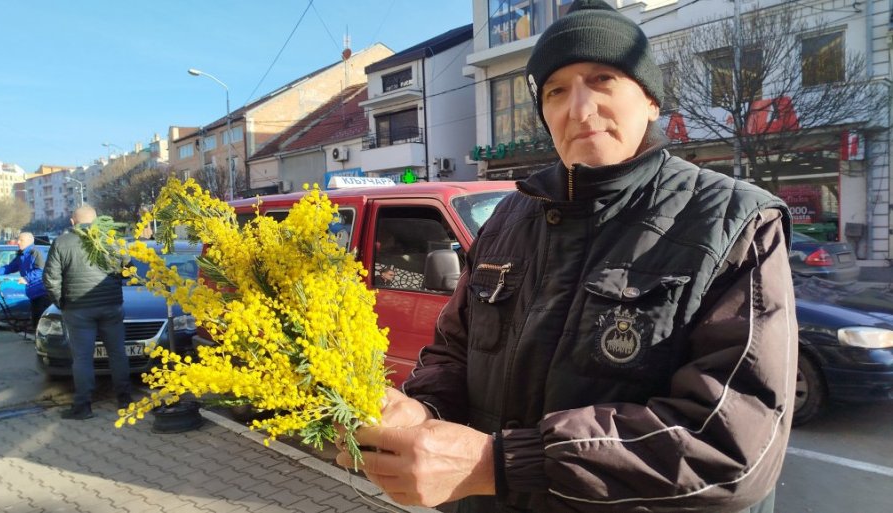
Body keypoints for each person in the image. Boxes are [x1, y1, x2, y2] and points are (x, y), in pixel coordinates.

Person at [336, 2, 797, 512]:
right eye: (556, 91)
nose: (578, 109)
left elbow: (731, 446)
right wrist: (421, 410)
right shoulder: (509, 218)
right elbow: (453, 351)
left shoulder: (736, 221)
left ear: (649, 100)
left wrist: (505, 464)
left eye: (602, 80)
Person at [43, 205, 132, 420]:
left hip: (78, 309)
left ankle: (83, 407)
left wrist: (61, 302)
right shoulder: (111, 240)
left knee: (82, 359)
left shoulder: (62, 242)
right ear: (97, 220)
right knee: (118, 354)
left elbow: (51, 279)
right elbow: (128, 270)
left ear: (73, 222)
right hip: (111, 306)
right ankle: (125, 401)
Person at [0, 231, 51, 331]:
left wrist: (26, 278)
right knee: (35, 319)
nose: (18, 242)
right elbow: (10, 267)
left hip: (41, 291)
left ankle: (40, 341)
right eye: (18, 239)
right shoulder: (22, 254)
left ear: (29, 241)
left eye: (21, 240)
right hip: (33, 292)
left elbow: (41, 270)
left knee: (39, 320)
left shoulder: (35, 252)